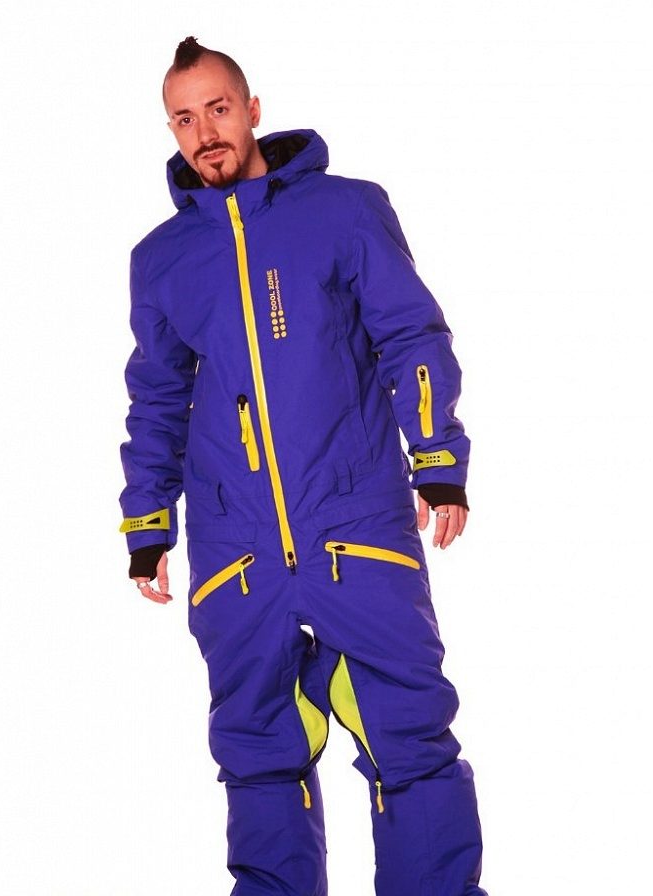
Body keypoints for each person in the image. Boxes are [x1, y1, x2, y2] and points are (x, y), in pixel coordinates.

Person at [118, 35, 489, 896]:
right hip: (236, 546)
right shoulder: (161, 260)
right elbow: (157, 397)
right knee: (257, 756)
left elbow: (411, 334)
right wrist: (147, 523)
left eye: (218, 109)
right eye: (184, 119)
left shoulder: (345, 211)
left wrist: (437, 458)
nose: (204, 132)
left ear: (251, 110)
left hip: (354, 521)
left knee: (410, 738)